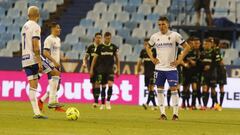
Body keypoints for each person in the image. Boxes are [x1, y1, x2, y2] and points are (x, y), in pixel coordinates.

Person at [146, 16, 191, 120]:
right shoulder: (154, 36)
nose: (161, 27)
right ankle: (163, 114)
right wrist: (152, 58)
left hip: (171, 69)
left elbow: (187, 47)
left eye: (163, 24)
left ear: (168, 25)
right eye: (159, 25)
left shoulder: (175, 35)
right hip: (159, 68)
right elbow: (147, 47)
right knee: (160, 90)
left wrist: (179, 60)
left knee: (174, 89)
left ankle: (175, 114)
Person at [21, 6, 62, 119]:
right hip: (34, 58)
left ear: (28, 15)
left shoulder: (24, 27)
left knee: (33, 85)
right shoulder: (36, 27)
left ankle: (37, 112)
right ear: (38, 15)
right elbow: (35, 44)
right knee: (56, 73)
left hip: (25, 59)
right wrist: (39, 61)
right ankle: (52, 100)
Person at [38, 22, 67, 112]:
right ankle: (52, 103)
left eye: (60, 28)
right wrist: (54, 62)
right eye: (58, 28)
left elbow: (56, 52)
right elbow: (45, 52)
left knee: (56, 87)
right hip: (50, 65)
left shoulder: (58, 39)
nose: (60, 29)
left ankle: (41, 100)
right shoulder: (48, 39)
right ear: (53, 28)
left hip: (57, 65)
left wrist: (61, 58)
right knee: (53, 85)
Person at [90, 32, 120, 110]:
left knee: (110, 84)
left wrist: (118, 69)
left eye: (109, 38)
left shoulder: (113, 47)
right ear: (104, 38)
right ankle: (102, 103)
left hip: (110, 70)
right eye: (106, 38)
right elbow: (94, 59)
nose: (108, 39)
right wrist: (91, 69)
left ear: (110, 38)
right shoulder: (100, 47)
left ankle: (108, 102)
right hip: (101, 70)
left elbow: (117, 58)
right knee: (102, 86)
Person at [136, 38, 157, 110]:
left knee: (151, 87)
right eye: (144, 44)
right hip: (146, 73)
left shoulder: (154, 51)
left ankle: (147, 103)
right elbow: (139, 61)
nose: (145, 45)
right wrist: (137, 70)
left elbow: (158, 61)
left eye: (146, 44)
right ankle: (154, 105)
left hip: (153, 72)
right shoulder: (143, 52)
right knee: (149, 89)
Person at [82, 32, 102, 108]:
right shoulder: (91, 47)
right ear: (95, 38)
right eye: (97, 37)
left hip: (101, 69)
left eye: (100, 37)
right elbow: (85, 57)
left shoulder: (102, 47)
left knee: (98, 83)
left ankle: (96, 101)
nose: (99, 39)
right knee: (93, 85)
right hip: (92, 69)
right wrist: (84, 63)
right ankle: (95, 100)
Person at [200, 38, 217, 110]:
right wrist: (203, 66)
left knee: (213, 89)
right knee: (205, 88)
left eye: (207, 44)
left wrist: (210, 66)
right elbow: (199, 62)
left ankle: (214, 105)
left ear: (211, 44)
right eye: (205, 44)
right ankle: (204, 106)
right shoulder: (202, 53)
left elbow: (217, 63)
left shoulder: (214, 52)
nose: (206, 45)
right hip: (205, 74)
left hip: (213, 73)